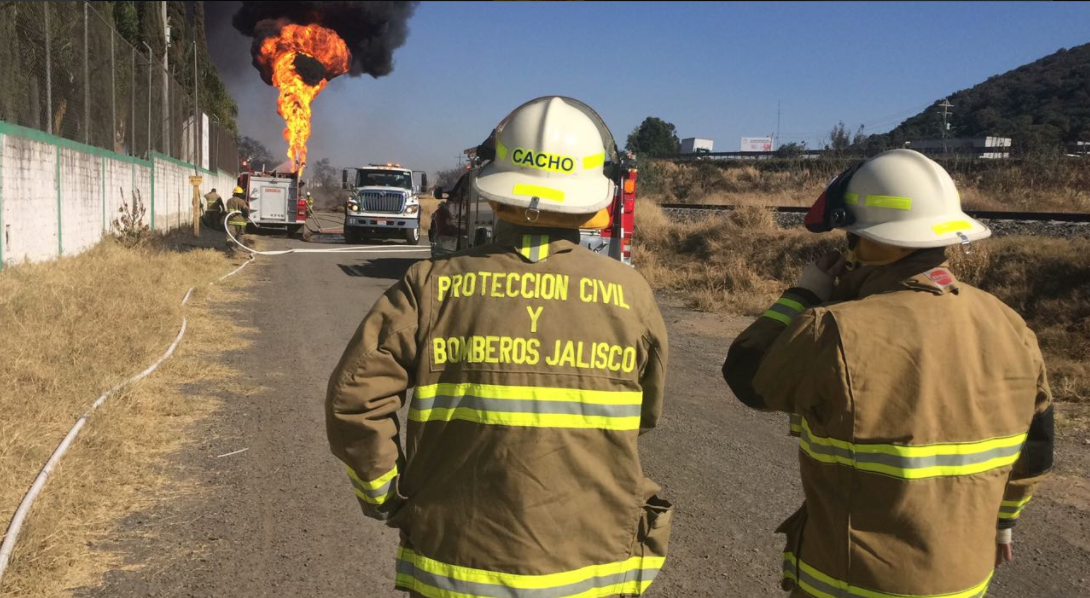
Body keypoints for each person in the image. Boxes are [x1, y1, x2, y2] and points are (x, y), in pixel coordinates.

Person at [326, 96, 672, 598]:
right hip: (592, 568)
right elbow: (647, 413)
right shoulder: (632, 293)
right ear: (590, 199)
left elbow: (353, 399)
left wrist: (387, 495)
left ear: (497, 192)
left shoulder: (430, 285)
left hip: (454, 566)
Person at [722, 149, 1054, 598]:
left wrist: (803, 295)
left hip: (852, 583)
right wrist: (1004, 522)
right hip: (967, 581)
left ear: (863, 242)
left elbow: (747, 375)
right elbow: (1036, 447)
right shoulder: (1010, 324)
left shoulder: (834, 331)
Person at [224, 186, 249, 253]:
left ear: (234, 193)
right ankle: (239, 248)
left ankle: (230, 242)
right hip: (241, 222)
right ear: (240, 194)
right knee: (240, 235)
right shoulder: (241, 201)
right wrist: (246, 216)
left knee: (230, 233)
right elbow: (246, 210)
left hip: (230, 220)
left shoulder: (229, 200)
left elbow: (228, 209)